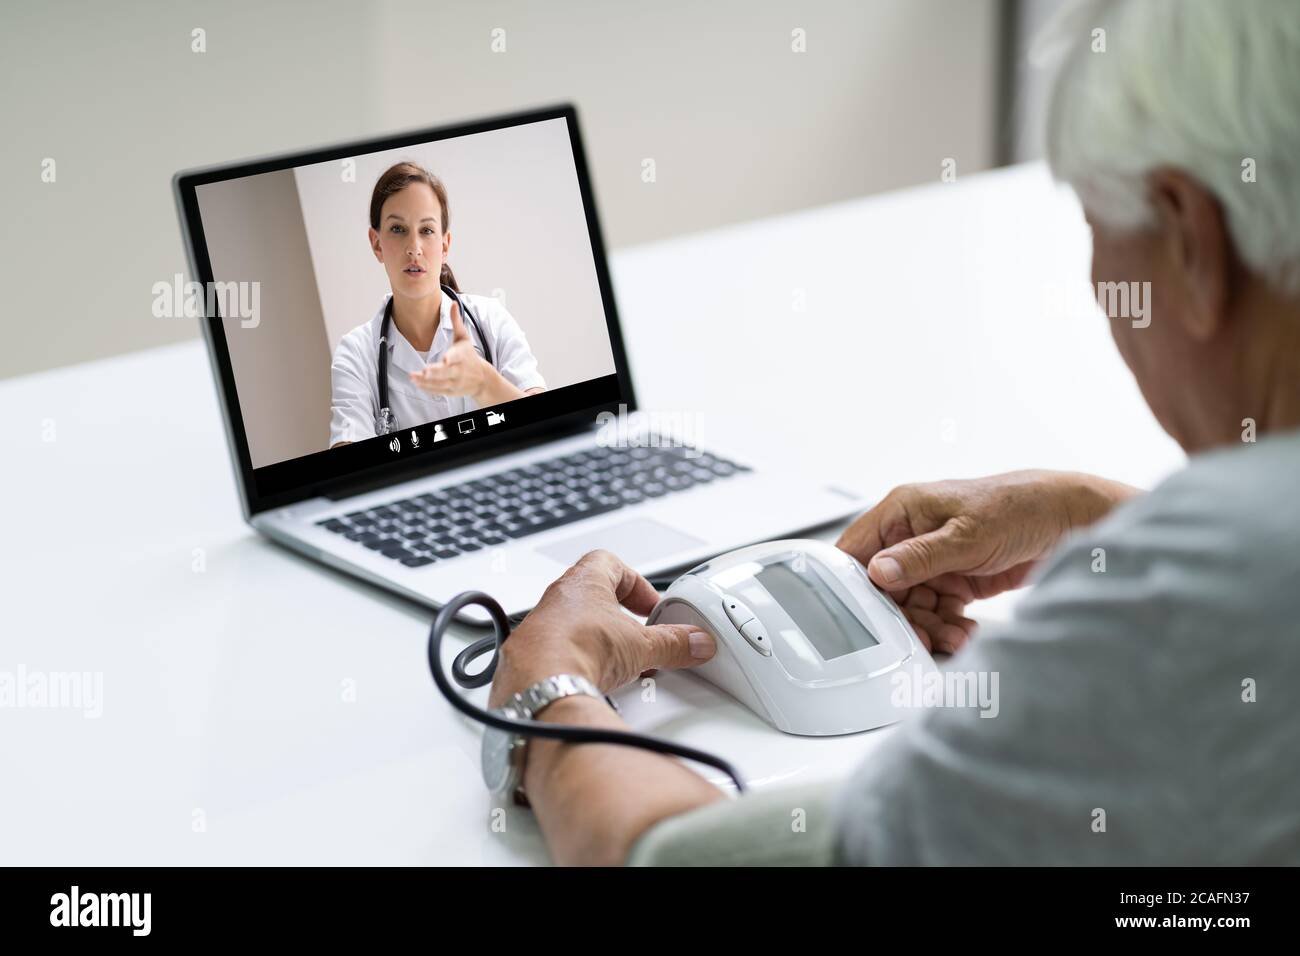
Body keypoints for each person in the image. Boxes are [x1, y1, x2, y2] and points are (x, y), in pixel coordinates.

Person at [484, 0, 1300, 865]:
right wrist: (1093, 512)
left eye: (1100, 235)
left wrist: (547, 700)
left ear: (1188, 240)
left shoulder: (1203, 605)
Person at [329, 162, 545, 447]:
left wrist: (483, 382)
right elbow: (347, 468)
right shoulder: (355, 354)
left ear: (445, 245)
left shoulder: (491, 318)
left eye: (427, 231)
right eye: (397, 228)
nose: (414, 248)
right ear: (376, 243)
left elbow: (546, 425)